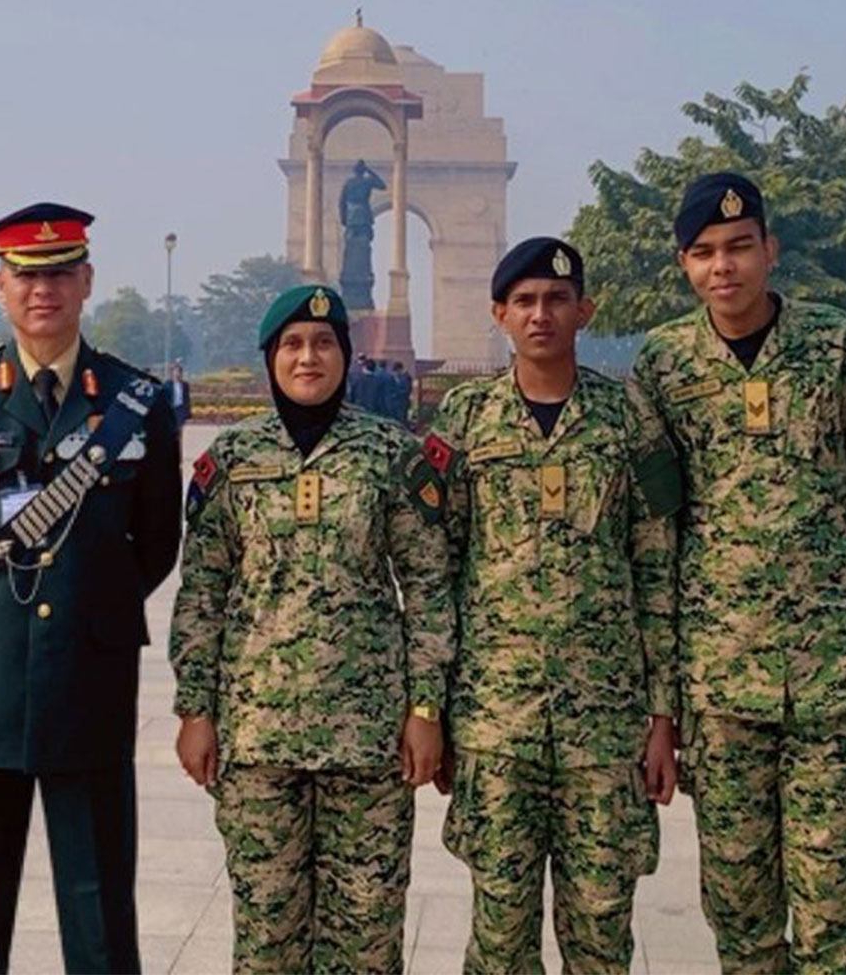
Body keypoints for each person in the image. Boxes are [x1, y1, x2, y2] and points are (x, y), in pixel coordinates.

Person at [632, 172, 846, 974]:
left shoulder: (838, 346)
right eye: (704, 253)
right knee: (743, 915)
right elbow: (658, 534)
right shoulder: (664, 366)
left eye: (740, 247)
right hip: (721, 687)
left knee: (833, 911)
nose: (724, 268)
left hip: (831, 675)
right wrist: (664, 700)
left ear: (770, 250)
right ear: (686, 266)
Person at [0, 203, 183, 974]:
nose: (44, 291)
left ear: (87, 281)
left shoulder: (132, 401)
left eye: (60, 273)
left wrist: (90, 600)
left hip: (86, 680)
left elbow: (157, 541)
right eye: (27, 276)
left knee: (99, 914)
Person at [170, 283, 452, 974]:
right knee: (267, 936)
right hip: (259, 739)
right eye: (292, 344)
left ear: (346, 358)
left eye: (324, 343)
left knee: (368, 936)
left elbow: (428, 588)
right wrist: (194, 710)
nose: (308, 357)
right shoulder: (231, 462)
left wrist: (425, 708)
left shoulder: (390, 455)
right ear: (270, 358)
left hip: (370, 740)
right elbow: (203, 591)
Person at [433, 239, 679, 974]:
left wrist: (662, 717)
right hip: (495, 723)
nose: (542, 314)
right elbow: (437, 568)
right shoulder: (465, 419)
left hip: (605, 729)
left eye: (557, 299)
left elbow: (656, 570)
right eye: (526, 302)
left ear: (584, 311)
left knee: (602, 936)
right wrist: (434, 710)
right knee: (500, 939)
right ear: (500, 314)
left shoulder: (628, 418)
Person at [167, 359, 193, 432]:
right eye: (176, 371)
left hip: (180, 409)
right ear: (172, 373)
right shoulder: (167, 385)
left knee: (179, 429)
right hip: (171, 410)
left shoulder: (184, 385)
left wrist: (188, 412)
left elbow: (187, 399)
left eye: (179, 371)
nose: (178, 373)